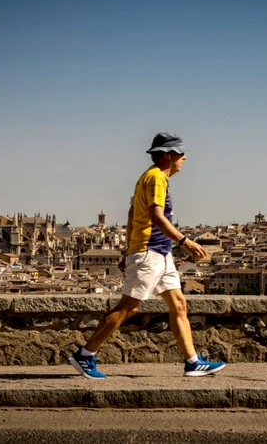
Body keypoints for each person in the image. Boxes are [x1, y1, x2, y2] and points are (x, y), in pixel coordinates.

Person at [69, 132, 226, 379]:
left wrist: (128, 250)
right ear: (167, 155)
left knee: (179, 305)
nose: (185, 158)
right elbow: (156, 217)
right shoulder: (156, 178)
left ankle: (193, 362)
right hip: (150, 252)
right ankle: (85, 355)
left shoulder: (149, 178)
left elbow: (132, 215)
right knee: (128, 309)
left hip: (160, 254)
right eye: (180, 154)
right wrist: (185, 242)